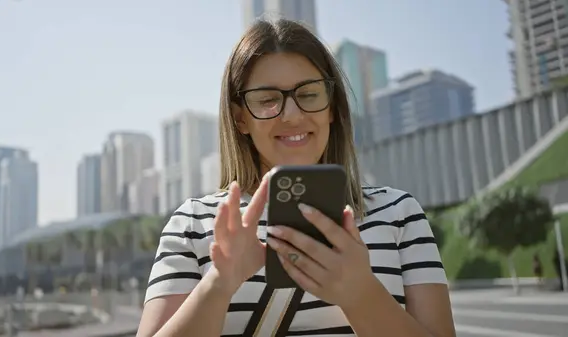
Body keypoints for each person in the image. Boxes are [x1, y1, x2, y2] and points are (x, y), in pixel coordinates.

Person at [137, 19, 456, 337]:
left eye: (309, 94)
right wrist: (219, 284)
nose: (291, 115)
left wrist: (361, 294)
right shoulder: (192, 223)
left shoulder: (399, 212)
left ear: (331, 107)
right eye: (267, 100)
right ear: (241, 119)